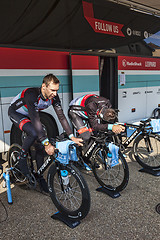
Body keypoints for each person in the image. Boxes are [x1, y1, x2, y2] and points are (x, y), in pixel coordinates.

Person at [8, 74, 83, 192]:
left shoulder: (54, 97)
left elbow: (61, 117)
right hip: (16, 113)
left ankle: (39, 176)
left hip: (31, 115)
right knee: (34, 133)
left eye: (57, 90)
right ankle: (22, 156)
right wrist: (47, 142)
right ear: (44, 86)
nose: (55, 93)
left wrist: (71, 136)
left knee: (39, 146)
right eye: (52, 90)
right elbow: (35, 119)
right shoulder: (32, 94)